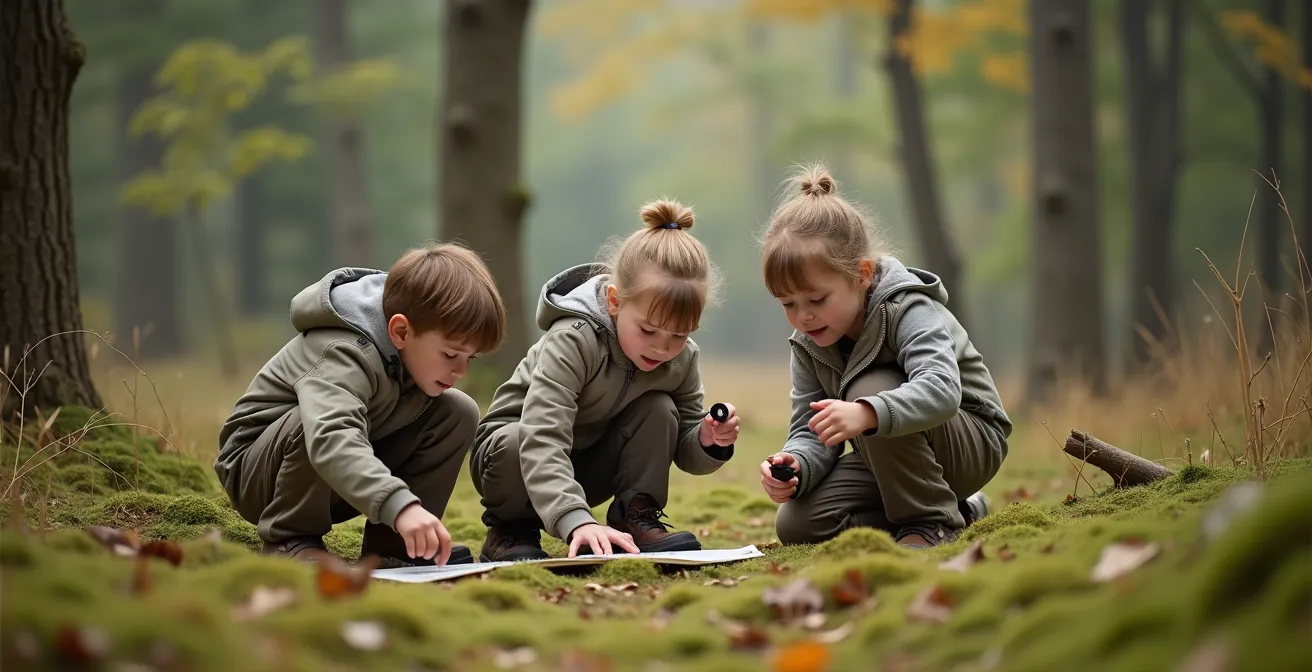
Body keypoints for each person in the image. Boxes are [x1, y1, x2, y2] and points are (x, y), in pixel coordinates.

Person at [471, 198, 739, 562]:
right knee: (517, 440)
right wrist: (577, 521)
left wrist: (708, 441)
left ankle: (634, 516)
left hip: (588, 464)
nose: (662, 348)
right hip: (513, 460)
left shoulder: (683, 357)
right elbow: (542, 435)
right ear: (615, 301)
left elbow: (683, 444)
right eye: (648, 330)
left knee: (659, 408)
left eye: (679, 335)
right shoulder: (573, 339)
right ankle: (510, 529)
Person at [757, 165, 1010, 549]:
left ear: (861, 275)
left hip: (968, 442)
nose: (802, 316)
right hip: (888, 457)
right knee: (797, 524)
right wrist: (796, 464)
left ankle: (933, 521)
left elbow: (942, 390)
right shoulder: (808, 341)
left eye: (816, 299)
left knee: (869, 385)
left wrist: (867, 412)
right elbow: (812, 428)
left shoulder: (908, 308)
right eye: (787, 304)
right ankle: (963, 510)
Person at [214, 243, 505, 566]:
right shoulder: (343, 351)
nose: (461, 371)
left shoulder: (410, 355)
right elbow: (331, 436)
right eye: (451, 355)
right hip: (259, 476)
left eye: (471, 358)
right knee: (313, 420)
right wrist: (401, 505)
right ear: (400, 330)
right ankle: (289, 539)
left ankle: (397, 548)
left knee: (458, 412)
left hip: (333, 476)